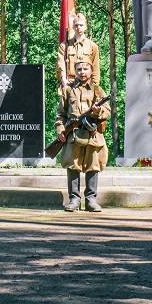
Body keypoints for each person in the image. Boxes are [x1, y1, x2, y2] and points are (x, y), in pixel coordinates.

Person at [56, 59, 110, 212]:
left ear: (91, 71)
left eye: (85, 69)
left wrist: (97, 111)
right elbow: (60, 114)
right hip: (73, 133)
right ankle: (74, 200)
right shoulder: (68, 90)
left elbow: (107, 110)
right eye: (79, 69)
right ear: (75, 71)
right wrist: (61, 130)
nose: (82, 72)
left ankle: (91, 200)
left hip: (93, 134)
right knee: (73, 166)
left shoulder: (97, 90)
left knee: (94, 166)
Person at [57, 12, 101, 86]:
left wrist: (95, 86)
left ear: (85, 27)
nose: (79, 27)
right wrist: (63, 79)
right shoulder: (64, 46)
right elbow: (61, 65)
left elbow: (95, 68)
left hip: (87, 85)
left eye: (81, 25)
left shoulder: (93, 46)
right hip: (70, 84)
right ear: (73, 27)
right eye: (76, 25)